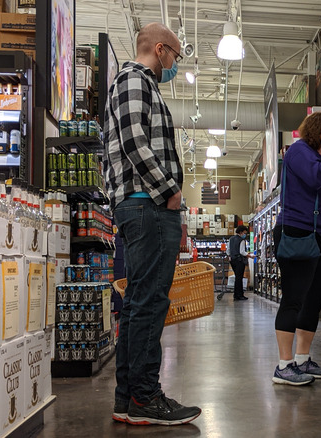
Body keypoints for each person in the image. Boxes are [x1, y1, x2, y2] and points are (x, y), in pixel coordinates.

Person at [103, 23, 201, 426]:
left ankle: (127, 398)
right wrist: (169, 192)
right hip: (147, 206)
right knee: (150, 303)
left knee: (139, 302)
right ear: (160, 49)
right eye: (175, 56)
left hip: (143, 206)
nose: (174, 64)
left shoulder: (140, 85)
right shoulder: (132, 80)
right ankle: (146, 396)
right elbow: (133, 142)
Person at [272, 112, 321, 386]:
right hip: (298, 232)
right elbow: (315, 180)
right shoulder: (300, 151)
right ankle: (284, 365)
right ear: (319, 130)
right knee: (294, 298)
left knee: (314, 300)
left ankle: (302, 359)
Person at [227, 225, 254, 301]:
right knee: (239, 278)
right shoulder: (241, 240)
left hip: (233, 260)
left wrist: (230, 256)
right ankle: (239, 295)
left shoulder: (231, 239)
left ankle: (236, 295)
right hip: (239, 260)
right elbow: (242, 252)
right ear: (241, 232)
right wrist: (250, 256)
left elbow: (228, 250)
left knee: (237, 277)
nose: (245, 234)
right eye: (245, 232)